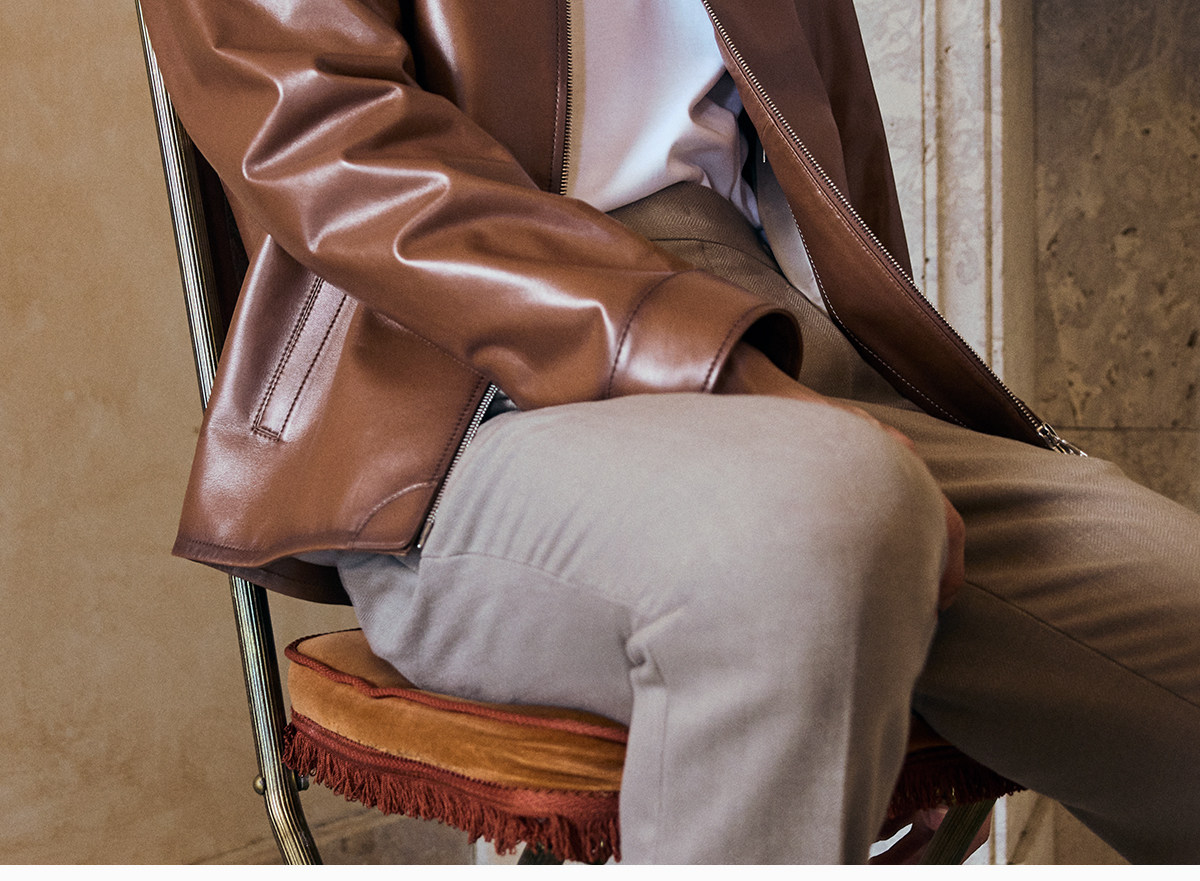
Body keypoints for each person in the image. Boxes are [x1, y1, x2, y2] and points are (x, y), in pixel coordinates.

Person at [141, 0, 1200, 863]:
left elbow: (834, 165)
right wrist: (715, 364)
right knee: (816, 527)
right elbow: (327, 141)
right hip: (450, 406)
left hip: (780, 349)